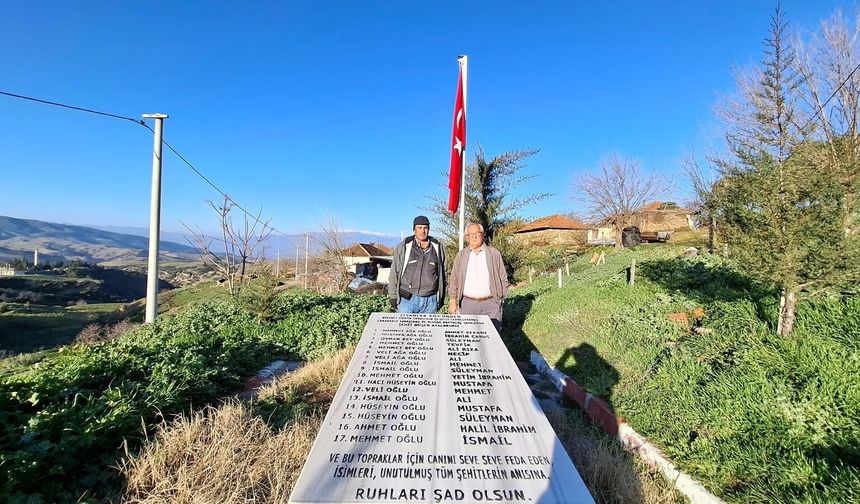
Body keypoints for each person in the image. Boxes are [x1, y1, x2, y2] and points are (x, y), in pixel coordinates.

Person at [448, 223, 509, 330]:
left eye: (477, 233)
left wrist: (500, 299)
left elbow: (503, 277)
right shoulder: (461, 256)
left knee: (492, 339)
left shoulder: (494, 253)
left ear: (483, 234)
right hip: (467, 305)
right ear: (467, 237)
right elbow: (454, 279)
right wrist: (452, 300)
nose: (474, 237)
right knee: (469, 340)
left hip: (491, 305)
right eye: (471, 234)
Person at [389, 215, 447, 313]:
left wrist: (441, 297)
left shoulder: (438, 247)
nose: (422, 231)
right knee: (405, 328)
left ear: (429, 229)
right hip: (407, 300)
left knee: (427, 329)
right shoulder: (405, 246)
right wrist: (393, 295)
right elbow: (394, 271)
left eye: (425, 228)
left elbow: (444, 273)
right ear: (414, 229)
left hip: (430, 301)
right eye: (419, 228)